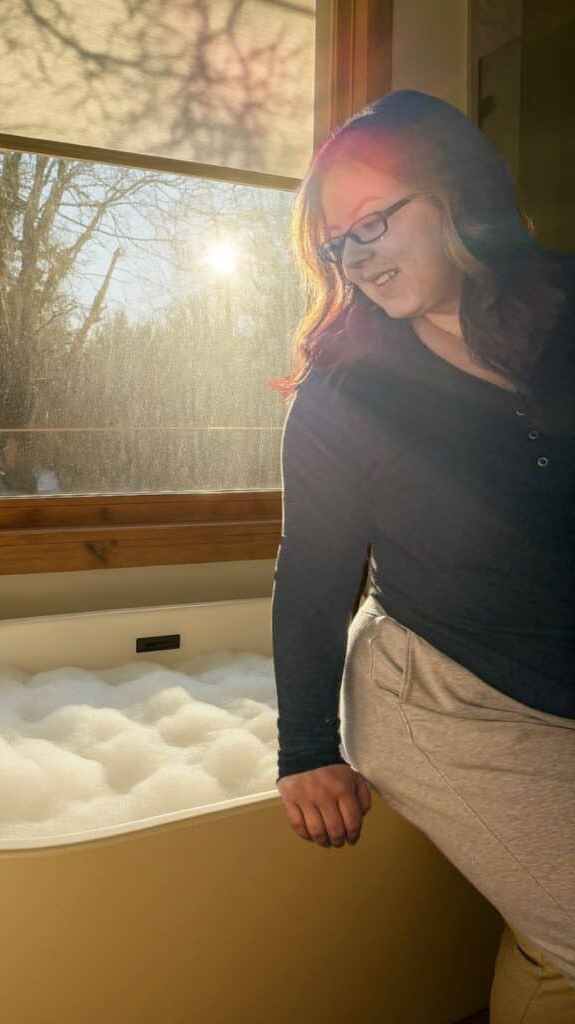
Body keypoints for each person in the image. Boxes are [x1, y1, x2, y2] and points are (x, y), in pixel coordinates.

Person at [269, 89, 575, 1021]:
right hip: (443, 698)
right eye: (337, 244)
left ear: (454, 192)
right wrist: (307, 748)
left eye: (373, 223)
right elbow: (313, 580)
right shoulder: (343, 394)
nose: (355, 260)